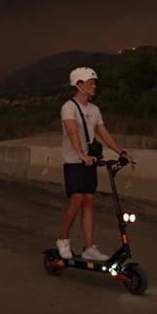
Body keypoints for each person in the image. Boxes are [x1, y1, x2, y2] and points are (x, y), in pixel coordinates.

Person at [55, 67, 127, 261]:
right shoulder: (68, 107)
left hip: (90, 162)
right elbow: (72, 132)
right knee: (77, 199)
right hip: (74, 162)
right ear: (79, 85)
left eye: (94, 83)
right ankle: (63, 239)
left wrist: (121, 151)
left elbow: (103, 132)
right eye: (90, 83)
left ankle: (88, 247)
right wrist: (80, 154)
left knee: (89, 201)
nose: (94, 86)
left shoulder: (94, 110)